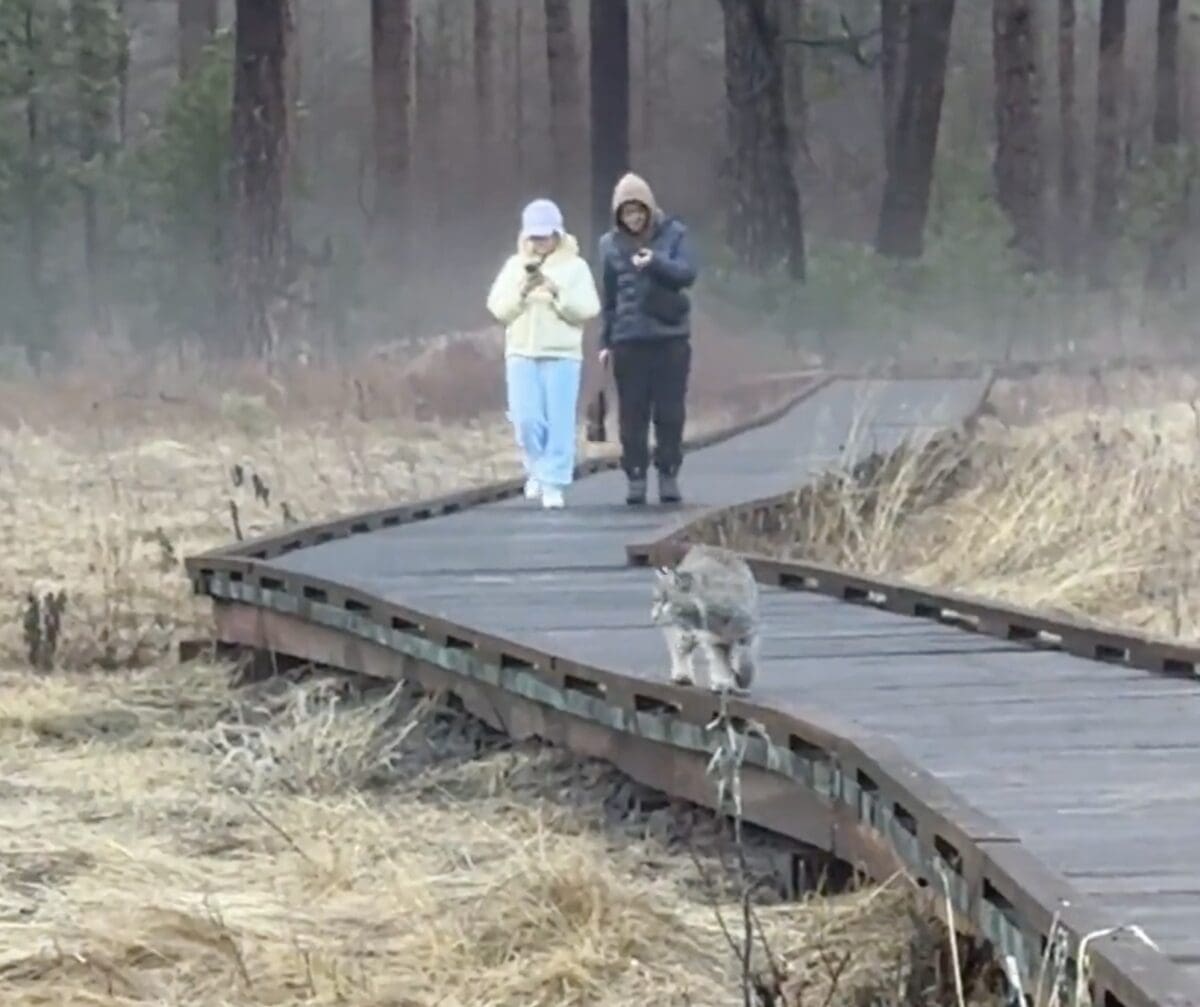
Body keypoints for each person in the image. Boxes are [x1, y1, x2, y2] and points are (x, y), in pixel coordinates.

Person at [486, 198, 601, 509]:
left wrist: (556, 292)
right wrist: (523, 291)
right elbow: (498, 308)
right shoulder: (514, 267)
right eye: (533, 237)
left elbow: (587, 309)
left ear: (558, 234)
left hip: (562, 355)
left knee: (559, 421)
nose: (539, 243)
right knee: (527, 420)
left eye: (544, 236)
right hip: (522, 353)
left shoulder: (575, 268)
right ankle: (535, 469)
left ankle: (554, 482)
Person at [597, 172, 698, 506]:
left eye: (638, 210)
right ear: (618, 215)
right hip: (628, 340)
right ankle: (635, 477)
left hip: (670, 338)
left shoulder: (675, 235)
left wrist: (655, 263)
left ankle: (668, 473)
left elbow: (688, 274)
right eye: (626, 213)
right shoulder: (609, 245)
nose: (634, 218)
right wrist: (604, 341)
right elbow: (609, 297)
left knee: (670, 413)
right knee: (632, 414)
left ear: (649, 208)